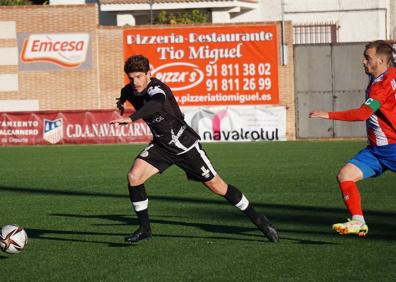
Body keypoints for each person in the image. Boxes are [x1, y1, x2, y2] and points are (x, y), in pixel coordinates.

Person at [110, 55, 279, 243]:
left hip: (185, 146)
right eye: (131, 78)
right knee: (134, 176)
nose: (135, 82)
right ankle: (144, 229)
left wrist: (131, 118)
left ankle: (258, 220)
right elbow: (125, 92)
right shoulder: (131, 89)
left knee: (217, 186)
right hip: (162, 146)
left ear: (149, 73)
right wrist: (121, 101)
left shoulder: (157, 89)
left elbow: (156, 103)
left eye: (140, 76)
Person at [309, 40, 396, 237]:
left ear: (381, 61)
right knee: (345, 175)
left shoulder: (381, 85)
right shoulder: (388, 75)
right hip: (375, 150)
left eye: (368, 58)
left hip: (392, 147)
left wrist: (328, 115)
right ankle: (358, 221)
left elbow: (363, 113)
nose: (363, 61)